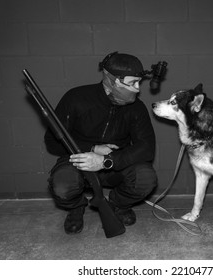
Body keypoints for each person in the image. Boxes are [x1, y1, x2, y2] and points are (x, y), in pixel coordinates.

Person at [45, 52, 157, 234]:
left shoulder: (137, 108)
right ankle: (76, 207)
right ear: (110, 78)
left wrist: (106, 160)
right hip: (77, 160)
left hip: (115, 164)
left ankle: (117, 204)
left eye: (139, 83)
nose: (137, 89)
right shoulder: (76, 98)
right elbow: (51, 142)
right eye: (131, 83)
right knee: (62, 186)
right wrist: (92, 149)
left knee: (146, 179)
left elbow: (146, 149)